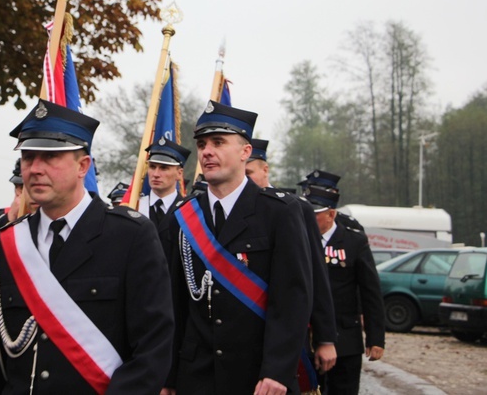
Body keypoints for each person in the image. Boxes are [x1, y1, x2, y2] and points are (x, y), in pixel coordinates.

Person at [0, 99, 174, 394]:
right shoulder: (6, 243)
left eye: (50, 157)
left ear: (83, 165)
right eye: (28, 157)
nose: (34, 169)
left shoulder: (130, 236)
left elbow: (152, 349)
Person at [165, 100, 313, 395]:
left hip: (258, 376)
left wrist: (277, 371)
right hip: (196, 376)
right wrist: (168, 377)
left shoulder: (279, 212)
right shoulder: (183, 216)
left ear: (246, 152)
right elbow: (174, 304)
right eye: (203, 143)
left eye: (219, 142)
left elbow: (292, 300)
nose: (207, 151)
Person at [245, 139, 338, 385]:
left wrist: (325, 338)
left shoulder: (295, 208)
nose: (244, 180)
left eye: (249, 173)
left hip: (285, 330)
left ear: (265, 170)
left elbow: (315, 275)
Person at [303, 185, 385, 394]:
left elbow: (370, 292)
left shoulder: (353, 241)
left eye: (316, 215)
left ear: (331, 214)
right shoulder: (300, 239)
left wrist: (375, 338)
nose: (310, 219)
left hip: (345, 337)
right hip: (306, 337)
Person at [137, 137, 191, 258]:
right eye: (152, 167)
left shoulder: (189, 210)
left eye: (164, 168)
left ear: (179, 173)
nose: (156, 174)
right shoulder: (135, 207)